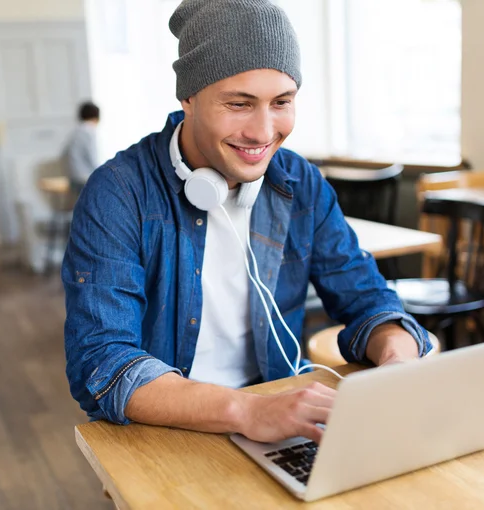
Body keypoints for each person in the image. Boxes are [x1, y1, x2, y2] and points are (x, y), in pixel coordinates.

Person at [63, 0, 432, 445]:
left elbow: (369, 300)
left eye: (282, 102)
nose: (262, 132)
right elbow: (102, 362)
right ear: (188, 97)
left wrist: (398, 362)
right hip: (167, 430)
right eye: (239, 104)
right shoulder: (118, 193)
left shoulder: (301, 184)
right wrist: (246, 410)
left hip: (279, 420)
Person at [62, 101, 100, 194]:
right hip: (85, 177)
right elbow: (92, 156)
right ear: (97, 117)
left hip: (74, 177)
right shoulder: (89, 131)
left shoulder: (75, 132)